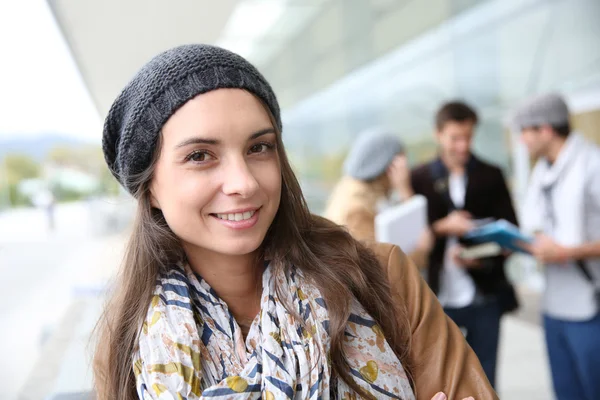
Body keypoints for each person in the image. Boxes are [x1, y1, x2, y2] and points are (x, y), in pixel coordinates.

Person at [93, 44, 495, 400]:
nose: (244, 183)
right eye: (200, 155)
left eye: (259, 148)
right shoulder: (129, 339)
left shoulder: (380, 276)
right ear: (150, 189)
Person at [410, 101, 519, 388]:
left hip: (484, 294)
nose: (462, 145)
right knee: (440, 383)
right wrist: (442, 227)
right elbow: (408, 238)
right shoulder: (418, 177)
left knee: (485, 380)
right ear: (438, 134)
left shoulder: (491, 174)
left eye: (468, 137)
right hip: (436, 297)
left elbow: (512, 233)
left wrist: (481, 257)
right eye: (455, 138)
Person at [512, 93, 600, 400]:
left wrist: (565, 252)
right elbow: (537, 223)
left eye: (525, 131)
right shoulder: (542, 170)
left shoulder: (593, 164)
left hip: (591, 306)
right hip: (554, 306)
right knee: (566, 392)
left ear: (545, 129)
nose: (522, 141)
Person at [323, 127, 433, 268]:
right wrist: (421, 251)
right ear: (389, 168)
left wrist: (404, 191)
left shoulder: (360, 198)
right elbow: (379, 272)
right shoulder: (357, 212)